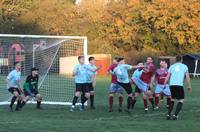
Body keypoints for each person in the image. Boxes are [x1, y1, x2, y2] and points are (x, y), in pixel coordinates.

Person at [164, 55, 192, 120]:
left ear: (176, 60)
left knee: (172, 99)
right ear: (181, 60)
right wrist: (189, 86)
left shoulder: (172, 66)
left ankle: (168, 114)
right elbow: (187, 77)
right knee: (181, 100)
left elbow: (167, 76)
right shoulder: (184, 66)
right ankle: (175, 115)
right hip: (179, 85)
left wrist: (164, 84)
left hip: (172, 85)